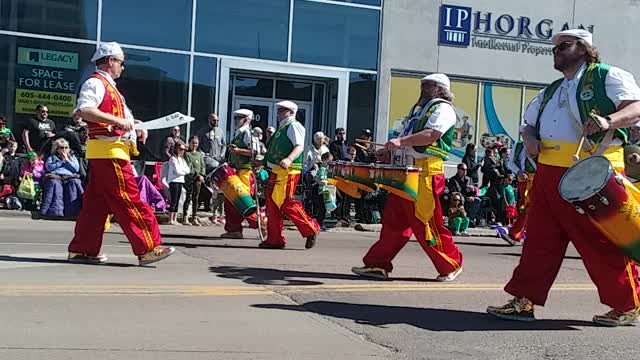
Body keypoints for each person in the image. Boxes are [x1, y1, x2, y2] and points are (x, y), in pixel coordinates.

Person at [487, 29, 640, 326]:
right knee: (539, 240)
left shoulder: (607, 76)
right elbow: (527, 124)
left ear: (583, 49)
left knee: (599, 240)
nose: (556, 51)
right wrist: (530, 138)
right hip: (547, 171)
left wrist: (608, 121)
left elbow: (635, 108)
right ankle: (524, 300)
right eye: (554, 47)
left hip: (590, 170)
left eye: (564, 46)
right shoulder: (553, 89)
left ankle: (627, 303)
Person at [68, 42, 174, 266]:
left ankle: (82, 249)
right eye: (121, 62)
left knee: (95, 206)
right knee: (130, 198)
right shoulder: (96, 83)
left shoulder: (108, 86)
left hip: (105, 152)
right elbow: (84, 110)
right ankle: (148, 247)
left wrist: (133, 125)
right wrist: (119, 121)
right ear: (110, 61)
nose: (123, 68)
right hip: (110, 152)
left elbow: (113, 117)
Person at [351, 73, 463, 281]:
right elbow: (409, 142)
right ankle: (377, 264)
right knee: (394, 221)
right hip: (406, 171)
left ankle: (450, 262)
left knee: (426, 221)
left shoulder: (442, 109)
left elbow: (432, 135)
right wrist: (390, 152)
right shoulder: (420, 111)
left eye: (427, 85)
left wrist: (400, 142)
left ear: (440, 89)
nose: (422, 89)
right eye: (422, 85)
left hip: (425, 173)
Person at [261, 100, 320, 249]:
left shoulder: (294, 125)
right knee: (273, 204)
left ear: (292, 112)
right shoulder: (282, 128)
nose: (279, 113)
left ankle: (311, 228)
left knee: (285, 201)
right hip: (276, 170)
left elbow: (299, 146)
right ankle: (274, 239)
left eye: (283, 111)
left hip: (288, 170)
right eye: (279, 110)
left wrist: (289, 158)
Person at [220, 109, 266, 239]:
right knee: (230, 201)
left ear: (246, 119)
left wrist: (238, 150)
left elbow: (255, 151)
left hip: (245, 172)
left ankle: (262, 223)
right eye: (235, 118)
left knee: (244, 201)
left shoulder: (249, 133)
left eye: (238, 118)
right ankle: (233, 229)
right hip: (236, 171)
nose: (235, 121)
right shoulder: (239, 133)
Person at [39, 138, 83, 218]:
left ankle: (73, 212)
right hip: (56, 176)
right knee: (54, 185)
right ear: (57, 149)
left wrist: (67, 160)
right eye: (62, 148)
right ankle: (55, 211)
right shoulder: (52, 158)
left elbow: (76, 169)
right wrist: (61, 161)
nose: (64, 149)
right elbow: (49, 167)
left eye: (66, 147)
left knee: (75, 183)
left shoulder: (72, 158)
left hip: (70, 177)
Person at [503, 140, 537, 245]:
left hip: (535, 180)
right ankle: (522, 235)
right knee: (524, 208)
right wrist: (519, 172)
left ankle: (515, 234)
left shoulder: (537, 143)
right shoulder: (517, 146)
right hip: (523, 180)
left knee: (529, 208)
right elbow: (511, 162)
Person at [183, 135, 206, 225]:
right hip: (190, 178)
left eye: (196, 143)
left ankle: (194, 217)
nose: (194, 145)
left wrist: (202, 175)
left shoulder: (200, 154)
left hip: (198, 180)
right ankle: (185, 217)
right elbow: (189, 166)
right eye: (193, 143)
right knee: (188, 197)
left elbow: (202, 165)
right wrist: (196, 175)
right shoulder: (186, 154)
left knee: (196, 198)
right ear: (189, 143)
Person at [167, 141, 190, 225]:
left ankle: (175, 218)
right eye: (180, 149)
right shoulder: (173, 158)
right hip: (174, 181)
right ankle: (170, 219)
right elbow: (177, 171)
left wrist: (182, 171)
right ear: (176, 149)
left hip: (180, 180)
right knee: (173, 200)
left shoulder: (182, 160)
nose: (182, 151)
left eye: (183, 149)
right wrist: (182, 171)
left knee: (178, 199)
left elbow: (188, 170)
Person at [315, 152, 333, 231]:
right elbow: (321, 180)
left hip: (326, 191)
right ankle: (319, 223)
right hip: (322, 191)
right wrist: (327, 181)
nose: (329, 163)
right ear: (323, 160)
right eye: (328, 161)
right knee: (322, 208)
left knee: (325, 208)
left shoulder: (327, 169)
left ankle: (321, 223)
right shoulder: (322, 169)